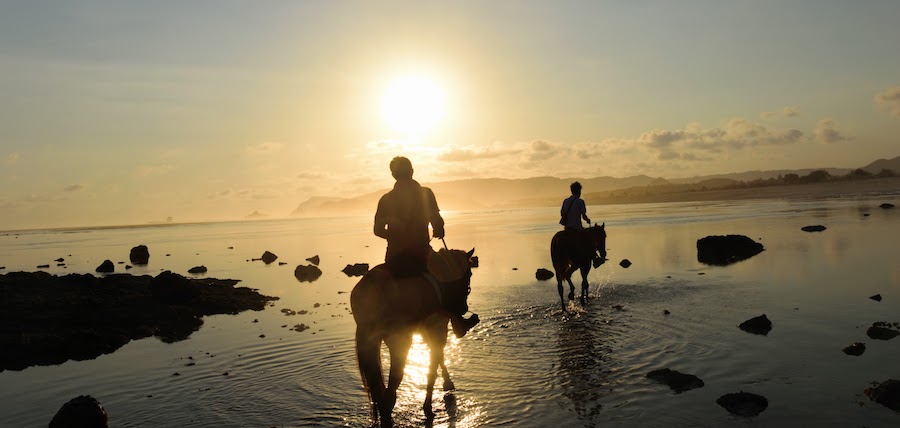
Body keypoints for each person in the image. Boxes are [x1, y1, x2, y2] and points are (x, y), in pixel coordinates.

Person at [374, 156, 479, 337]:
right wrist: (439, 229)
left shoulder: (386, 199)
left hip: (393, 257)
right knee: (449, 274)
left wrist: (394, 234)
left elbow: (377, 230)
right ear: (412, 171)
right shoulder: (425, 193)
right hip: (420, 254)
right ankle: (458, 322)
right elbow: (436, 219)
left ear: (393, 175)